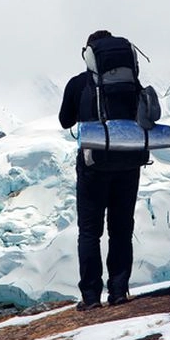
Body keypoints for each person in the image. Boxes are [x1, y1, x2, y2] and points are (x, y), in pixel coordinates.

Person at [59, 29, 147, 311]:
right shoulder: (132, 82)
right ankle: (119, 291)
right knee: (121, 229)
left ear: (89, 54)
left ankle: (91, 297)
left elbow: (64, 121)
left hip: (93, 165)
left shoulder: (78, 84)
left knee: (89, 232)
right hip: (129, 163)